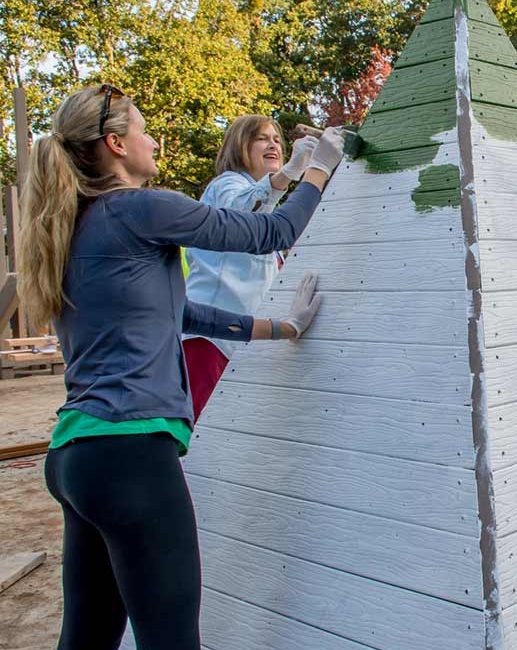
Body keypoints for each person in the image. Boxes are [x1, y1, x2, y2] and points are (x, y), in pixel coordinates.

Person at [16, 84, 344, 650]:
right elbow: (273, 232)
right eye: (142, 129)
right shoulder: (140, 208)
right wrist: (318, 170)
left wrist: (277, 327)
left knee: (87, 639)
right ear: (116, 144)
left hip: (75, 460)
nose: (153, 140)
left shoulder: (77, 226)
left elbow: (180, 311)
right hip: (133, 456)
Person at [183, 115, 319, 419]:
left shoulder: (267, 202)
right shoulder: (226, 187)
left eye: (276, 139)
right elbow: (244, 215)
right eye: (261, 138)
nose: (273, 144)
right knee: (205, 430)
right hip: (210, 340)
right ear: (240, 145)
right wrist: (290, 174)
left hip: (240, 338)